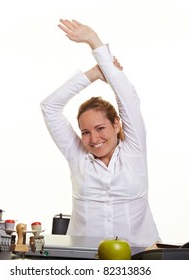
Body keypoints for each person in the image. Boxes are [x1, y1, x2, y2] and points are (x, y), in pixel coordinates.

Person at [41, 19, 160, 248]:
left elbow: (128, 99)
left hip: (141, 255)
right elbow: (50, 107)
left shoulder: (134, 151)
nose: (93, 139)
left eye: (100, 128)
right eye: (85, 132)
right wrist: (94, 73)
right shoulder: (77, 156)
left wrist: (94, 41)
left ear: (116, 124)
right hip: (85, 258)